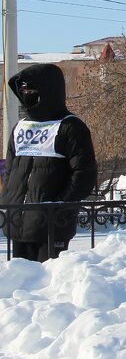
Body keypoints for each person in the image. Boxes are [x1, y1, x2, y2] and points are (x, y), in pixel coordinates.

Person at [0, 64, 97, 261]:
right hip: (17, 221)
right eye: (25, 91)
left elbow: (83, 174)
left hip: (53, 223)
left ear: (49, 92)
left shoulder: (71, 126)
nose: (27, 95)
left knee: (49, 285)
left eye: (33, 91)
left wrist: (60, 206)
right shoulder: (20, 127)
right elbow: (10, 170)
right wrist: (8, 200)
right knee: (21, 287)